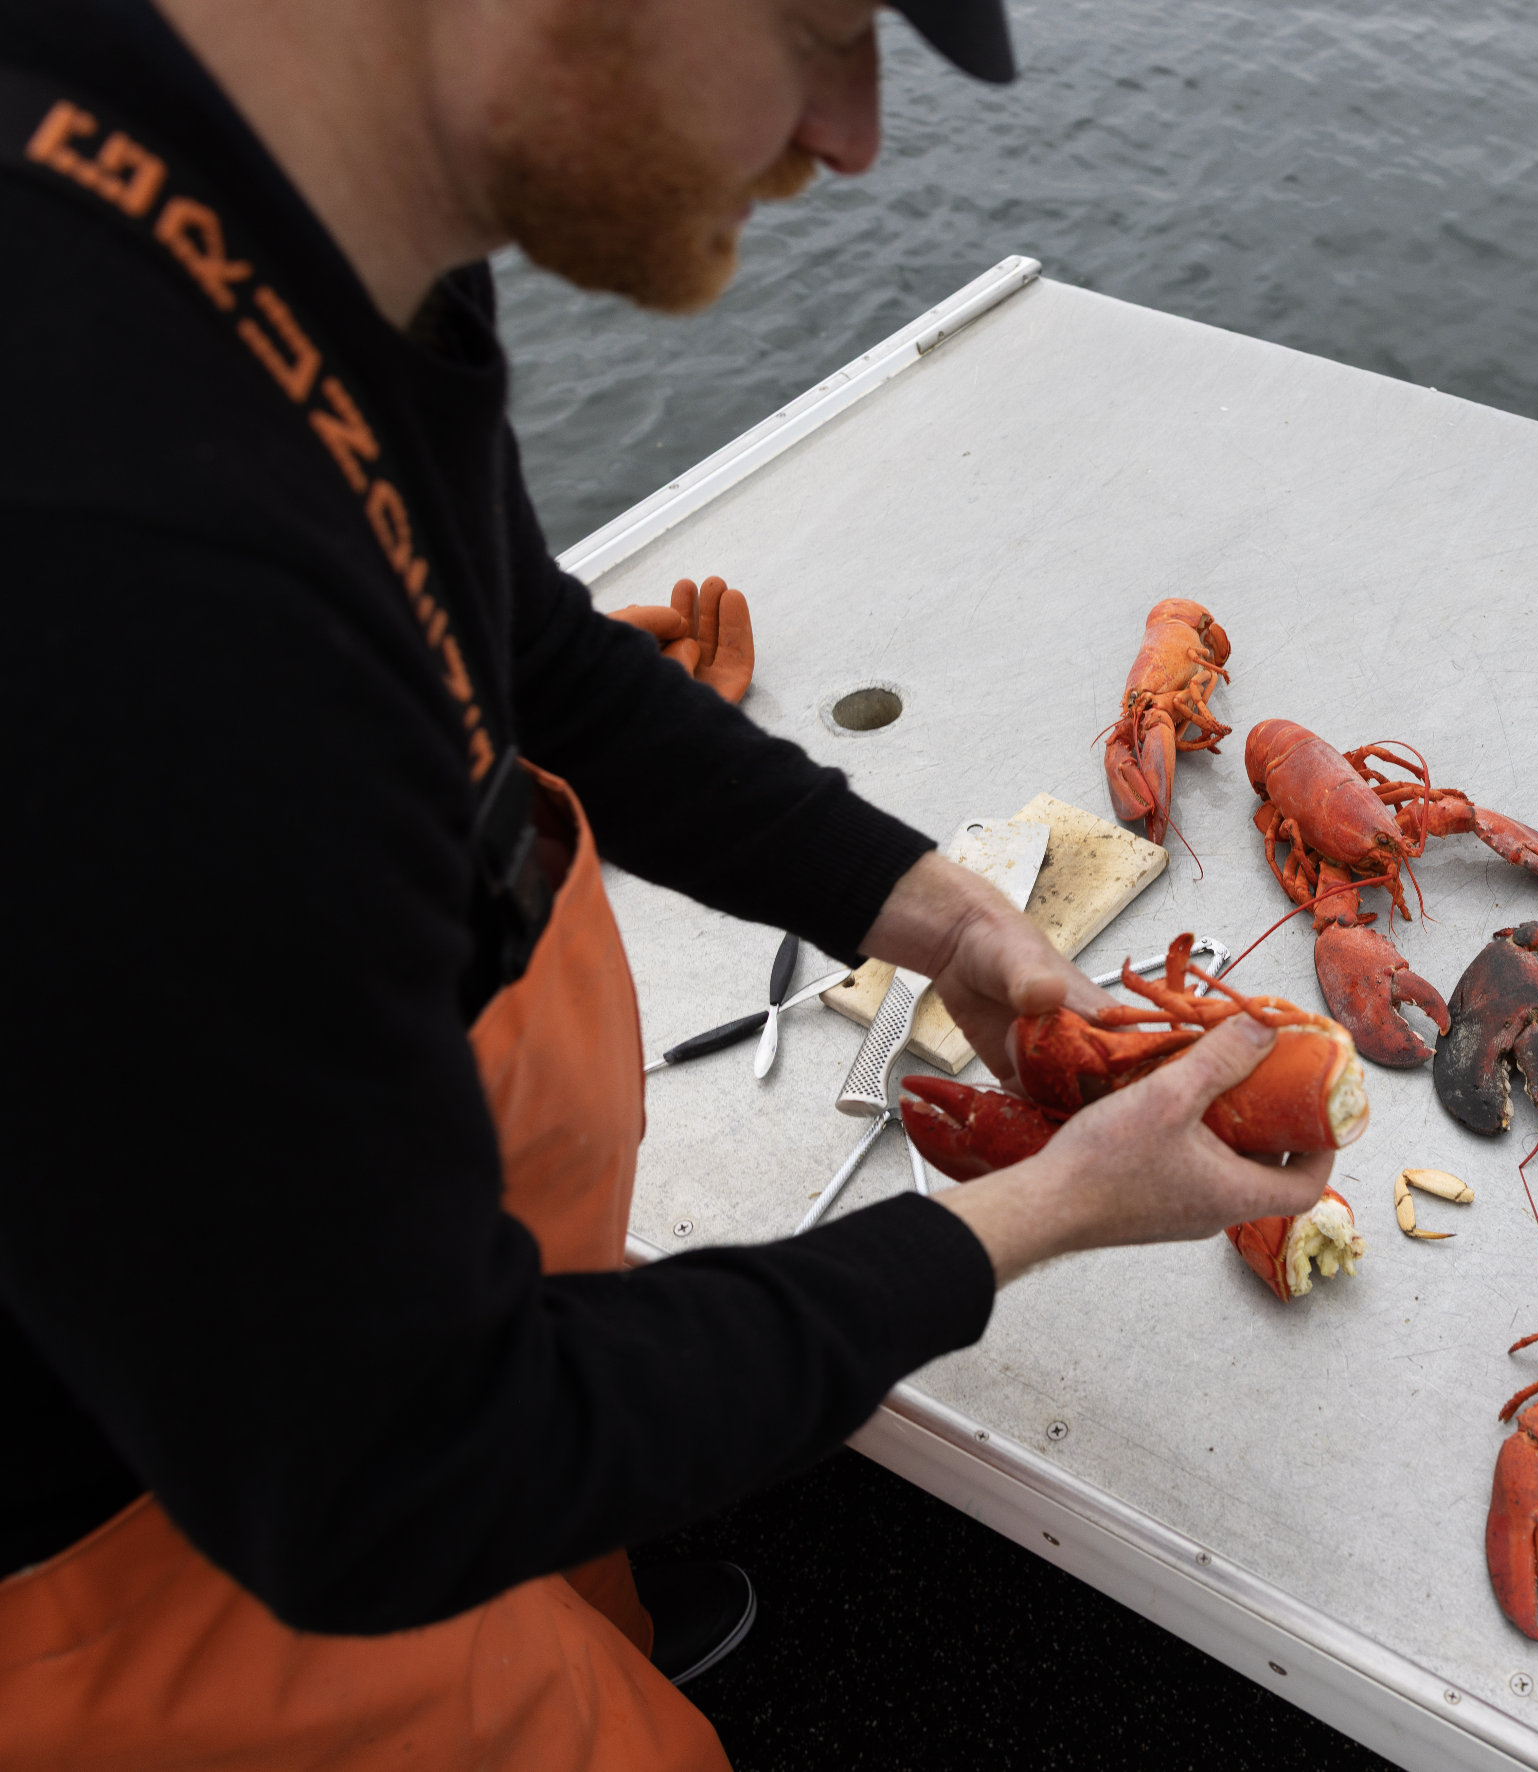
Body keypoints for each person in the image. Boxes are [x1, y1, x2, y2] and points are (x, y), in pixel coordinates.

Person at [0, 0, 1332, 1765]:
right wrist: (1038, 1213)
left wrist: (938, 915)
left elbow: (518, 632)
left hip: (361, 1272)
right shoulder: (123, 584)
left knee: (556, 1562)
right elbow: (385, 1476)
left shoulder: (284, 185)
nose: (854, 134)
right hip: (151, 1534)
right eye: (826, 26)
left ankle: (568, 1601)